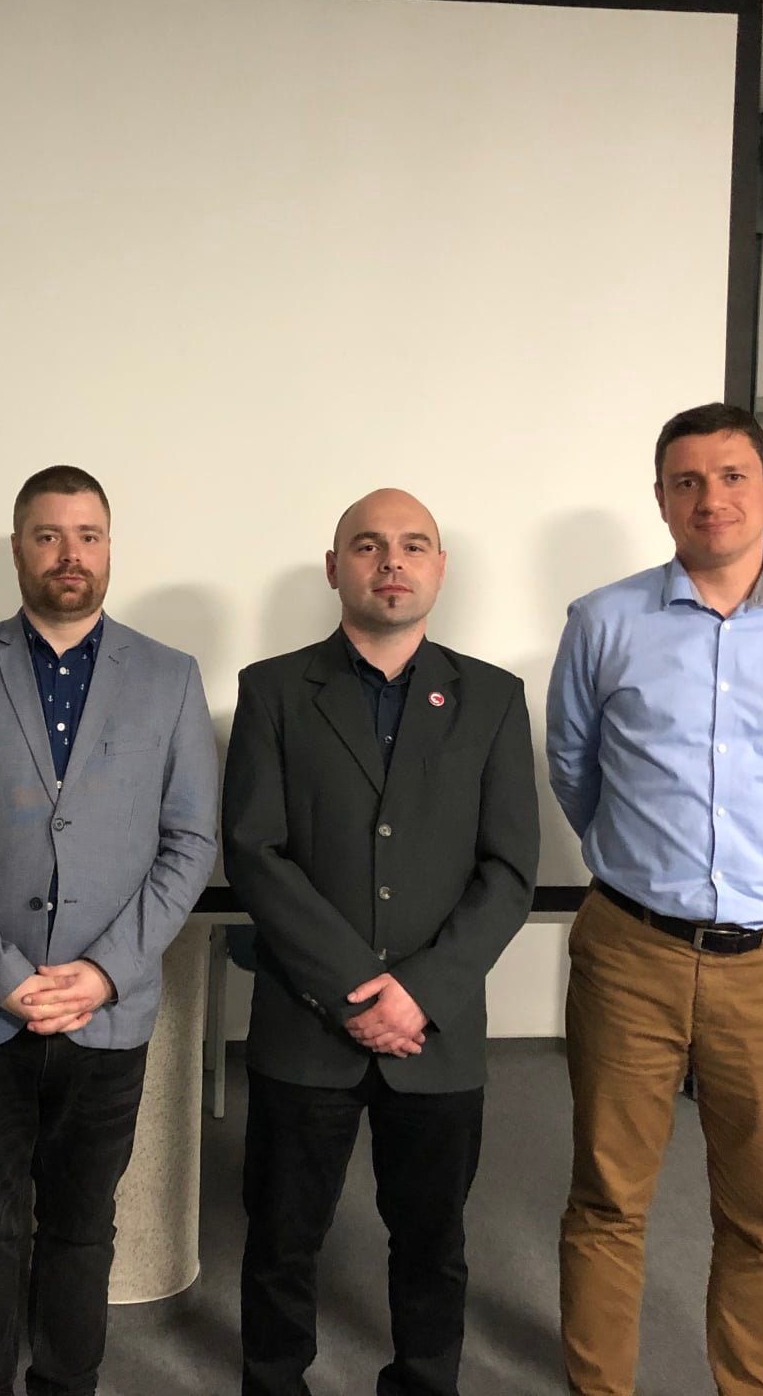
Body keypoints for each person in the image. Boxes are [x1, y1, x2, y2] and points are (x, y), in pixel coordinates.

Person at [548, 403, 763, 1396]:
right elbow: (574, 766)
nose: (711, 498)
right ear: (661, 499)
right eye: (687, 481)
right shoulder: (602, 622)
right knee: (606, 1200)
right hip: (631, 954)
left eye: (733, 476)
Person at [0, 464, 218, 1396]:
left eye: (88, 535)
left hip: (107, 1012)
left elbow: (191, 841)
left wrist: (105, 972)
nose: (69, 554)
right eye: (48, 535)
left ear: (109, 548)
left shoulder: (170, 678)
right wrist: (3, 975)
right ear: (17, 549)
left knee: (82, 1227)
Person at [223, 487, 539, 1396]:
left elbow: (509, 869)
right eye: (367, 545)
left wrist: (422, 992)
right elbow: (254, 851)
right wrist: (356, 988)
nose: (391, 561)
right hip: (305, 1025)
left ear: (440, 569)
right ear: (336, 568)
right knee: (282, 1239)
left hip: (438, 1033)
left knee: (432, 1242)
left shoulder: (492, 698)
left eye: (413, 545)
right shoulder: (273, 690)